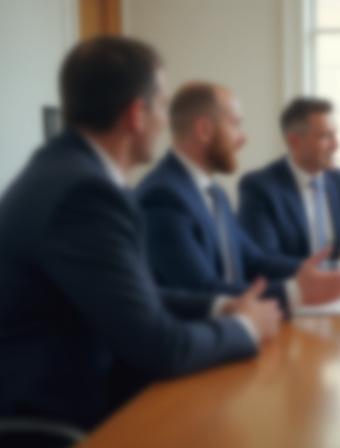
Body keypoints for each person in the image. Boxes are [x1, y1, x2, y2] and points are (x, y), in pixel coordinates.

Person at [0, 37, 284, 430]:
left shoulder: (65, 170)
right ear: (136, 114)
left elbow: (133, 296)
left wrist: (220, 307)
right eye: (163, 105)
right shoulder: (85, 194)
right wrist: (246, 328)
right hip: (64, 418)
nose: (166, 121)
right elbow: (159, 348)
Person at [137, 82, 340, 308]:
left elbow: (253, 261)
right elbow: (202, 290)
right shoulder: (163, 197)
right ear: (204, 130)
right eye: (235, 125)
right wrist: (295, 291)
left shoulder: (216, 194)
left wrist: (325, 271)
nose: (243, 138)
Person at [238, 97, 340, 276]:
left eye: (335, 135)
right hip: (293, 291)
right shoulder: (259, 187)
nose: (336, 145)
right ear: (295, 141)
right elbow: (265, 262)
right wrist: (339, 267)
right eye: (326, 137)